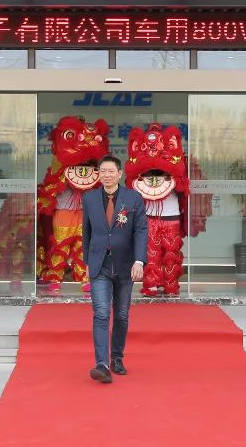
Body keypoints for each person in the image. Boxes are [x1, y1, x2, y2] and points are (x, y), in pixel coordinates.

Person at [81, 154, 147, 383]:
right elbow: (86, 232)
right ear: (98, 174)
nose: (107, 175)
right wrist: (87, 262)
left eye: (111, 171)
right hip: (99, 263)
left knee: (121, 314)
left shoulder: (133, 198)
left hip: (125, 264)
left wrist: (139, 261)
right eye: (103, 171)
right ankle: (101, 364)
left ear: (119, 174)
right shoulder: (89, 199)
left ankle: (117, 357)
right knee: (101, 313)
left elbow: (141, 230)